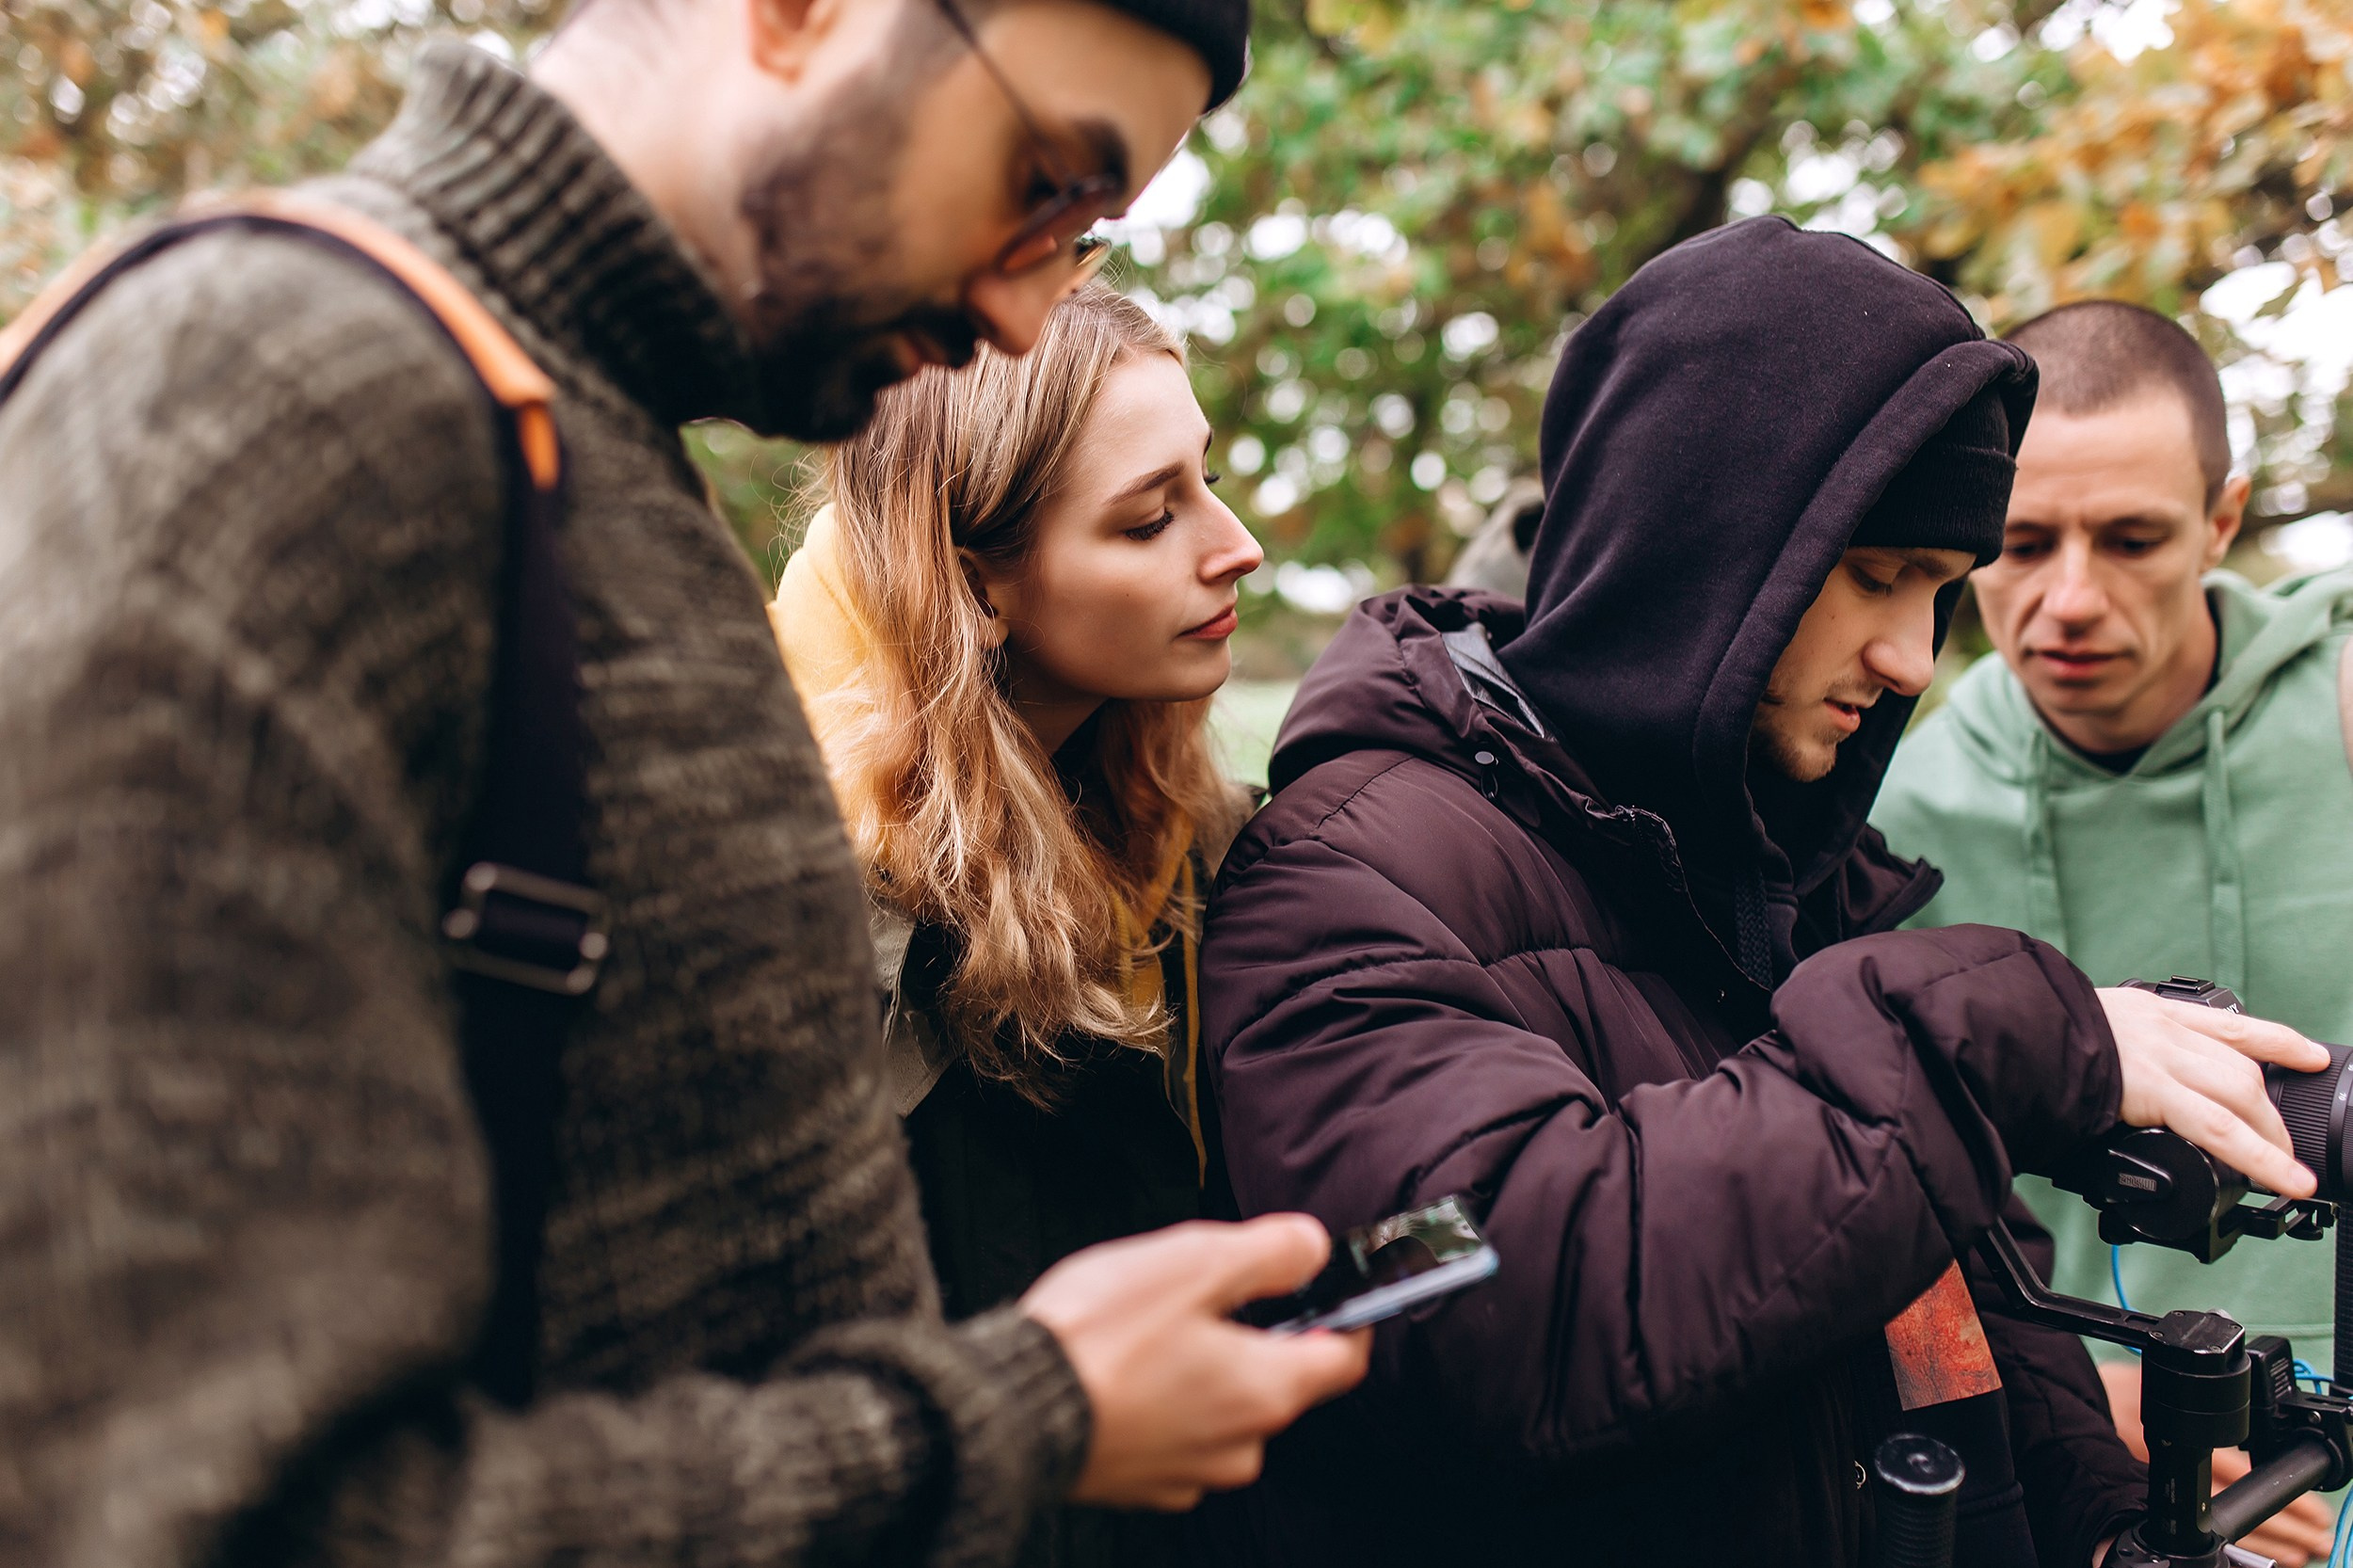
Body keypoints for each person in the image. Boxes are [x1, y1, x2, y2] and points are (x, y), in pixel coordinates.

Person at [0, 0, 1371, 1560]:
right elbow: (182, 1515)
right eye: (1038, 178)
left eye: (1080, 235)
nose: (1017, 306)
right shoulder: (273, 403)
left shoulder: (583, 469)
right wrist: (1020, 1414)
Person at [1193, 216, 2329, 1568]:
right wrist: (1989, 1031)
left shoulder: (1783, 856)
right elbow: (1505, 1305)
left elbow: (1960, 1286)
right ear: (1712, 543)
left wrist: (2089, 1519)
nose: (1915, 657)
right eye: (1876, 579)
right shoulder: (1345, 874)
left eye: (1942, 591)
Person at [767, 283, 1262, 1564]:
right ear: (977, 581)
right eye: (1152, 517)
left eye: (1209, 479)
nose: (1236, 543)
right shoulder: (801, 896)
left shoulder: (1180, 828)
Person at [1872, 299, 2353, 1567]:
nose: (2068, 597)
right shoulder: (1895, 816)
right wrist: (2095, 1395)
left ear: (2224, 520)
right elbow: (1902, 1207)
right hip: (2114, 1468)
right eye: (2022, 543)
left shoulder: (2348, 707)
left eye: (2132, 538)